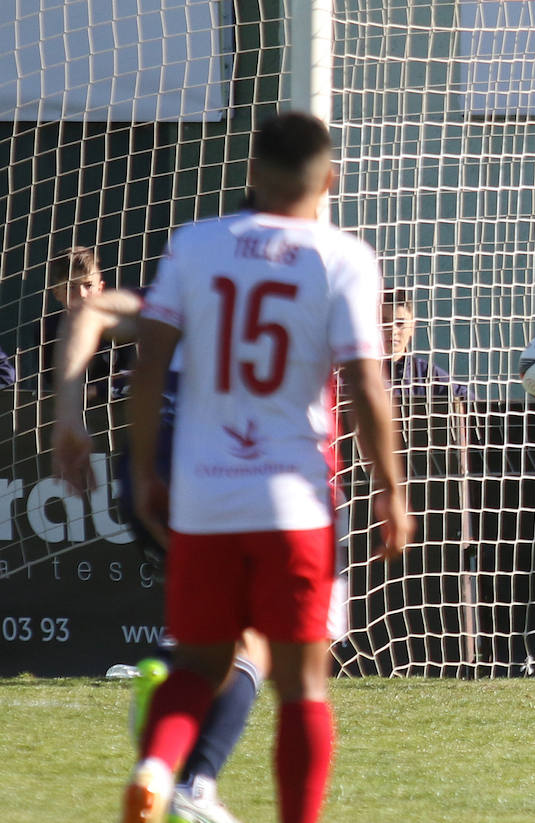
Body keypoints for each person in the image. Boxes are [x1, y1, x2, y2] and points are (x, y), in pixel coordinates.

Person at [119, 112, 410, 823]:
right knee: (305, 685)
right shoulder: (343, 256)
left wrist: (141, 469)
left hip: (206, 494)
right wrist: (392, 490)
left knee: (197, 665)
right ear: (330, 179)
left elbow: (150, 365)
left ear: (250, 172)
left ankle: (157, 768)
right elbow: (368, 388)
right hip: (294, 501)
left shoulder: (194, 245)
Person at [51, 285, 265, 823]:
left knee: (210, 633)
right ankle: (193, 780)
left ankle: (168, 731)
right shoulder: (281, 289)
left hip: (151, 474)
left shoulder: (189, 289)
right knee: (250, 641)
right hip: (225, 476)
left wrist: (70, 415)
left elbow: (91, 309)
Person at [42, 245, 132, 399]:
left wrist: (97, 391)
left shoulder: (120, 325)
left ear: (100, 288)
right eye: (71, 287)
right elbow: (53, 382)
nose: (82, 294)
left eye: (88, 285)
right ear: (56, 293)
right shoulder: (48, 328)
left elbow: (138, 377)